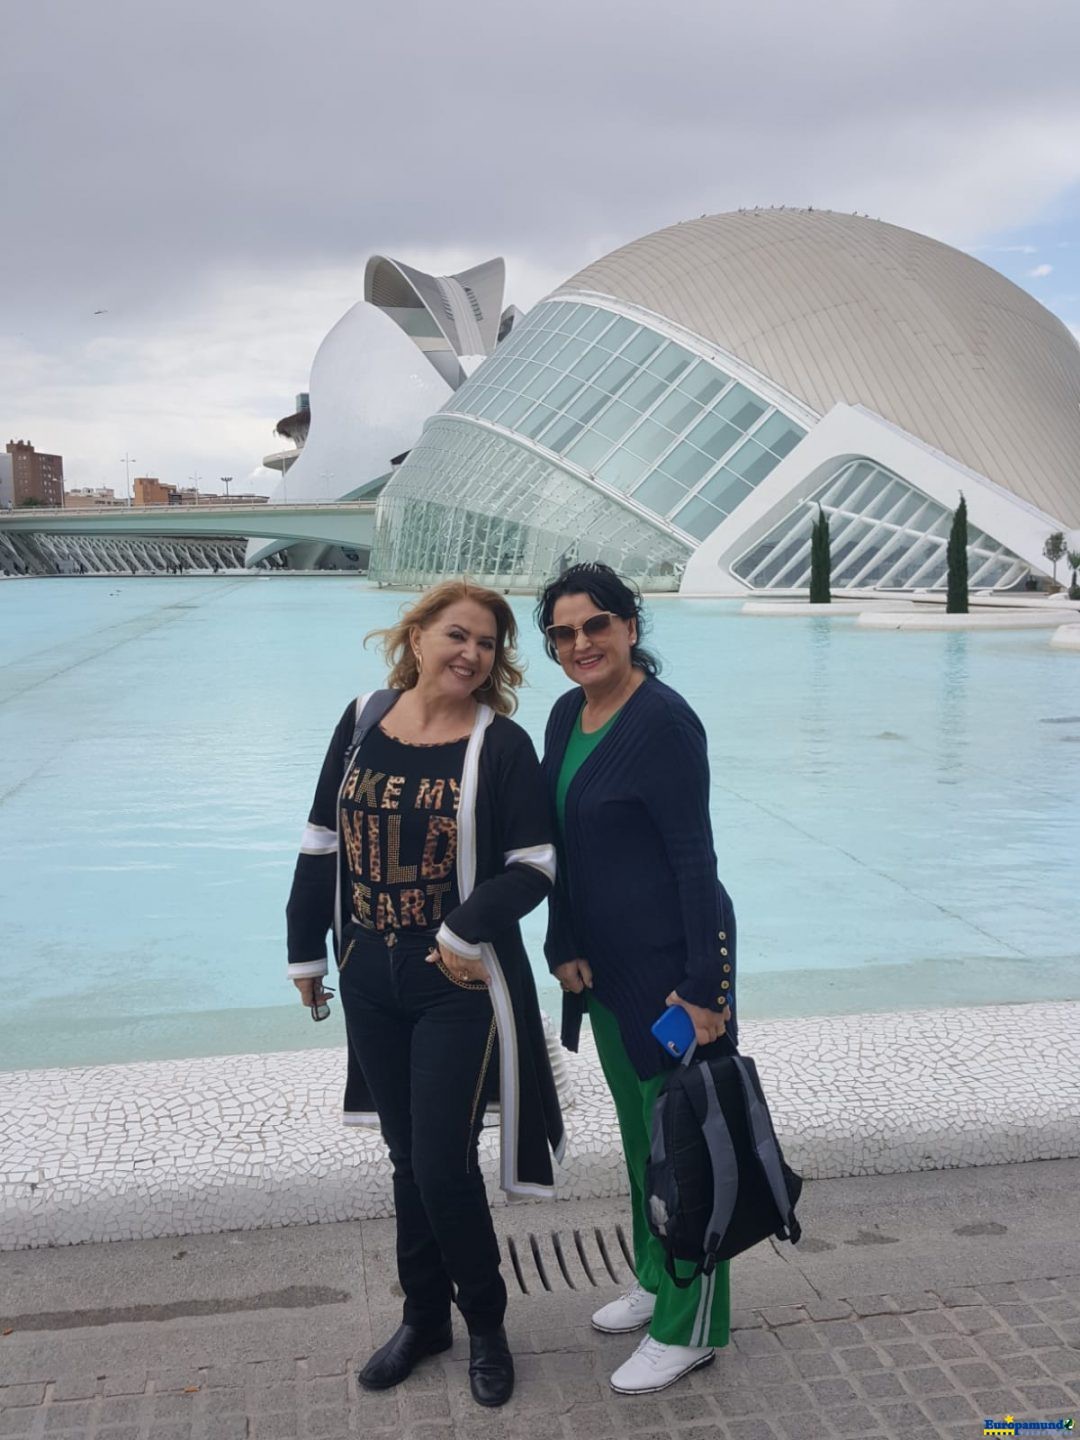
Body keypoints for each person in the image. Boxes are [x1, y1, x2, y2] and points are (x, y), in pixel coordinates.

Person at [285, 580, 564, 1408]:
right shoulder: (363, 718)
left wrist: (458, 928)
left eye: (486, 644)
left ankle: (485, 1323)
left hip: (455, 983)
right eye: (457, 634)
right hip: (369, 972)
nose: (470, 654)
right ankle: (422, 1319)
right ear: (417, 636)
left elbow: (536, 865)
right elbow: (320, 837)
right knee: (407, 1158)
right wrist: (305, 951)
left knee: (443, 1161)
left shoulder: (500, 745)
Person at [537, 562, 736, 1396]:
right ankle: (657, 1279)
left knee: (683, 1151)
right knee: (639, 1140)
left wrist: (705, 990)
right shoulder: (566, 714)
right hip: (609, 971)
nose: (581, 644)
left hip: (669, 975)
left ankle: (690, 1327)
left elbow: (696, 860)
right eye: (563, 633)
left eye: (596, 626)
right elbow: (562, 844)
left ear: (628, 626)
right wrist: (563, 940)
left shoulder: (662, 722)